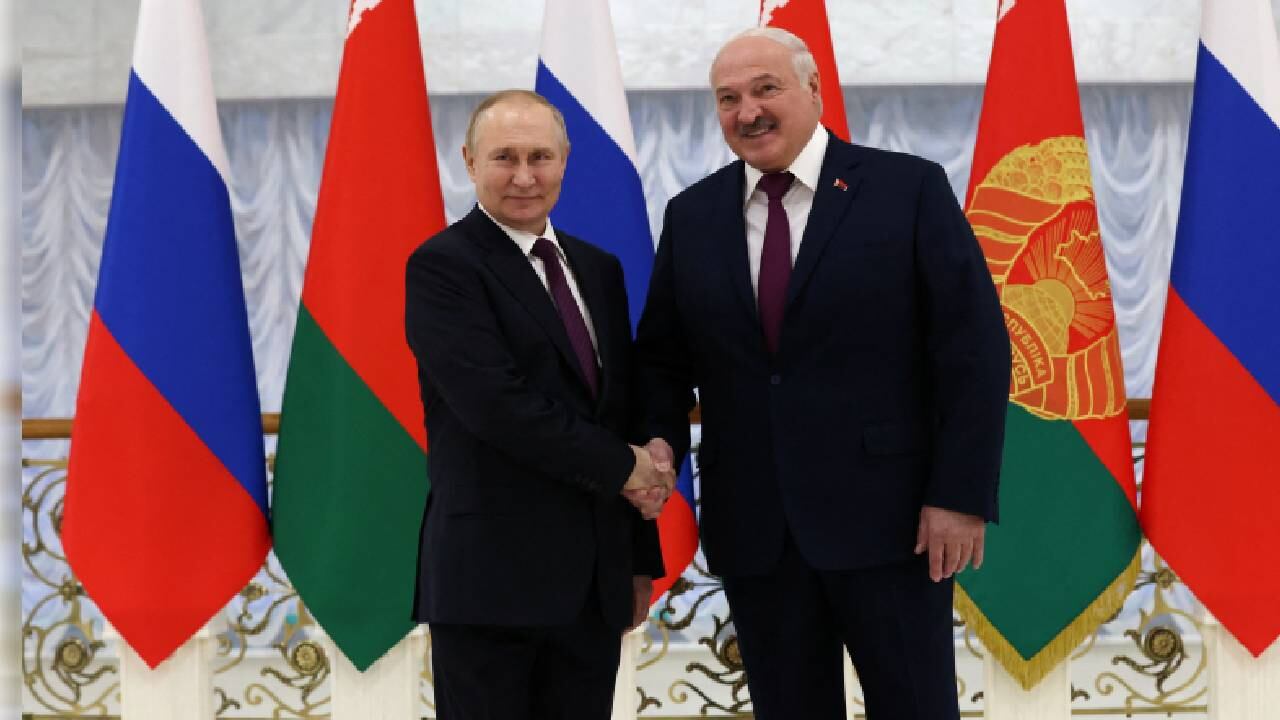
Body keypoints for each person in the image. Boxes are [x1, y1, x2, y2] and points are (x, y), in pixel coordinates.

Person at [633, 29, 1010, 719]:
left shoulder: (907, 188)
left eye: (765, 89)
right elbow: (661, 357)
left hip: (895, 525)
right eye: (728, 98)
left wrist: (960, 493)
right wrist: (658, 441)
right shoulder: (693, 215)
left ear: (814, 90)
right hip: (756, 530)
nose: (747, 111)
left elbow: (974, 352)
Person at [405, 89, 672, 720]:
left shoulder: (597, 268)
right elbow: (497, 406)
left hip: (593, 588)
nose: (524, 176)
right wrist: (625, 467)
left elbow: (621, 404)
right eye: (504, 158)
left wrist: (637, 560)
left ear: (565, 161)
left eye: (540, 157)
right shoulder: (443, 266)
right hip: (492, 584)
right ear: (470, 162)